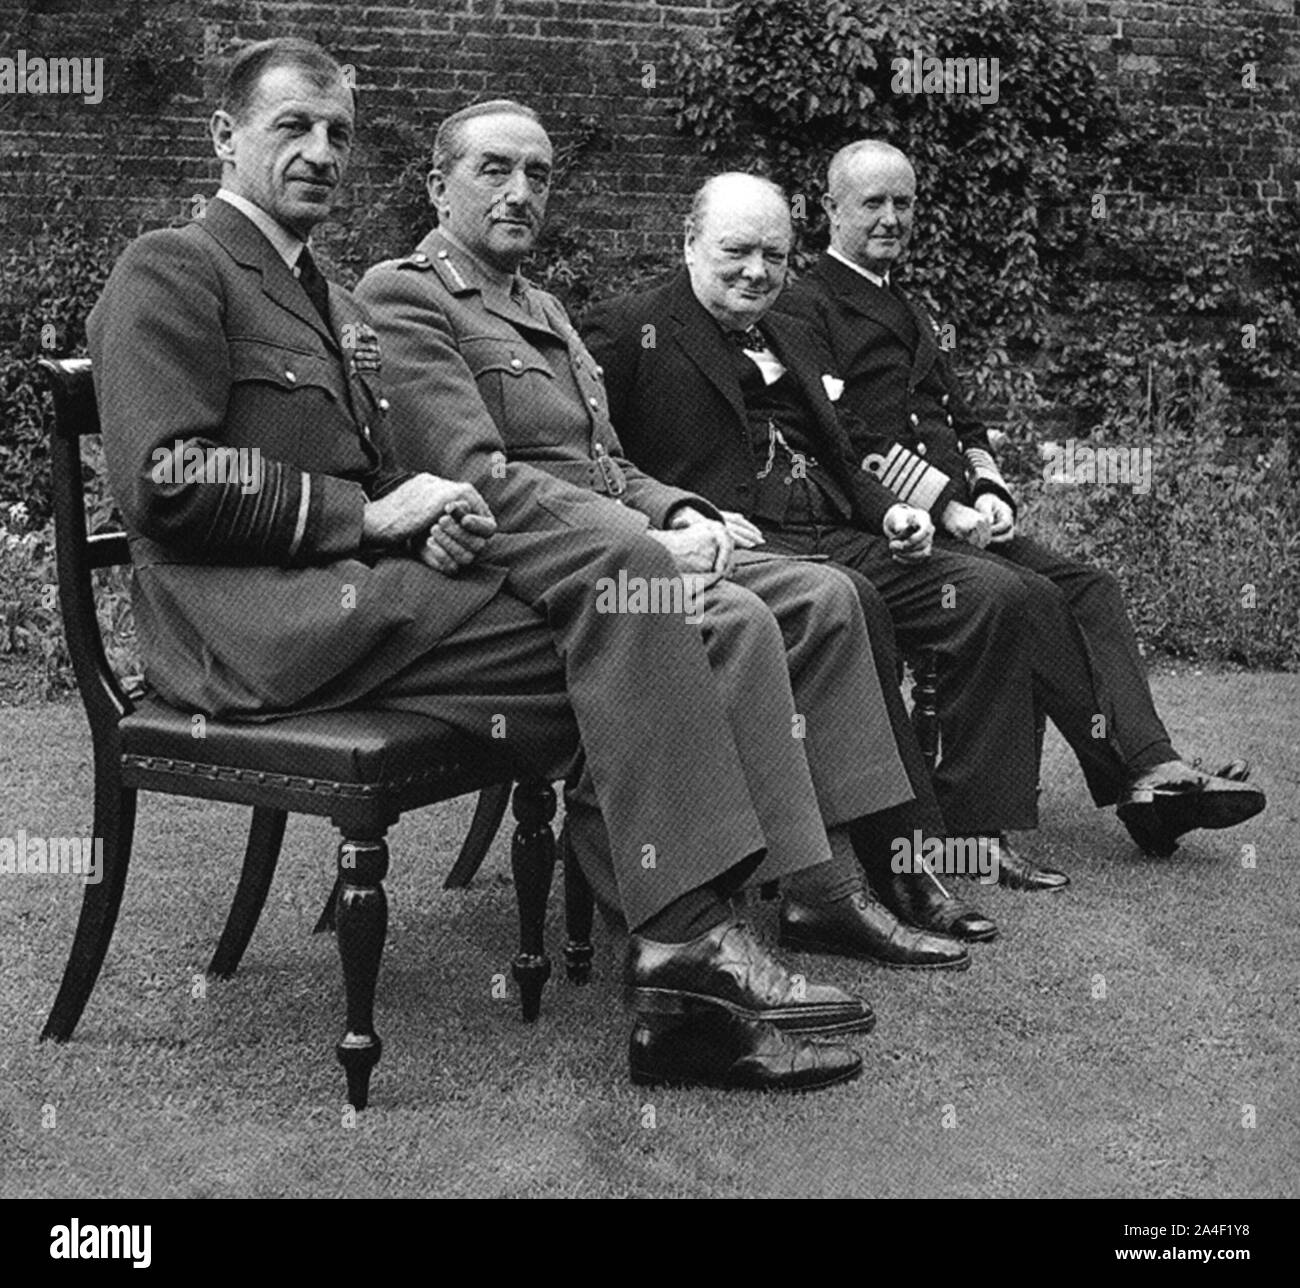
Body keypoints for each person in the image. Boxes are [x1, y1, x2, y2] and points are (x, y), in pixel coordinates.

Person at [85, 38, 876, 1093]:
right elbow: (163, 478)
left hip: (360, 596)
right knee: (631, 603)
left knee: (654, 625)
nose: (321, 153)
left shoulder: (323, 294)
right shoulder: (174, 266)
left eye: (337, 135)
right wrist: (369, 514)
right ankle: (690, 963)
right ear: (225, 138)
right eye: (293, 128)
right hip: (247, 627)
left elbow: (386, 472)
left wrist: (426, 520)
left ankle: (687, 968)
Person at [356, 101, 1002, 979]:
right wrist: (648, 541)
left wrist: (678, 512)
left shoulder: (540, 306)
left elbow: (609, 461)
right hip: (534, 569)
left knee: (826, 596)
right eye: (494, 171)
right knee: (745, 612)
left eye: (538, 176)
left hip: (612, 541)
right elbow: (485, 482)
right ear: (437, 187)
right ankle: (766, 895)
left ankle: (832, 881)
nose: (520, 193)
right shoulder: (405, 295)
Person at [584, 172, 1264, 878]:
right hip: (749, 545)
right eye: (737, 251)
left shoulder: (802, 328)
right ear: (689, 242)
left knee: (1003, 595)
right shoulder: (631, 328)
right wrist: (677, 512)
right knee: (863, 604)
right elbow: (592, 461)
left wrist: (898, 509)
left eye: (773, 255)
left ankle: (978, 833)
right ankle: (896, 849)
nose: (757, 271)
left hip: (843, 528)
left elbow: (849, 447)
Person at [775, 140, 1265, 860]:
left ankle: (1153, 767)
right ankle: (1147, 784)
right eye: (871, 203)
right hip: (888, 523)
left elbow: (960, 419)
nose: (890, 218)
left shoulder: (912, 308)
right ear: (830, 210)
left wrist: (991, 487)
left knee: (1089, 588)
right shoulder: (805, 305)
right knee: (1028, 594)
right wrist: (946, 505)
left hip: (963, 517)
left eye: (903, 203)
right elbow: (841, 436)